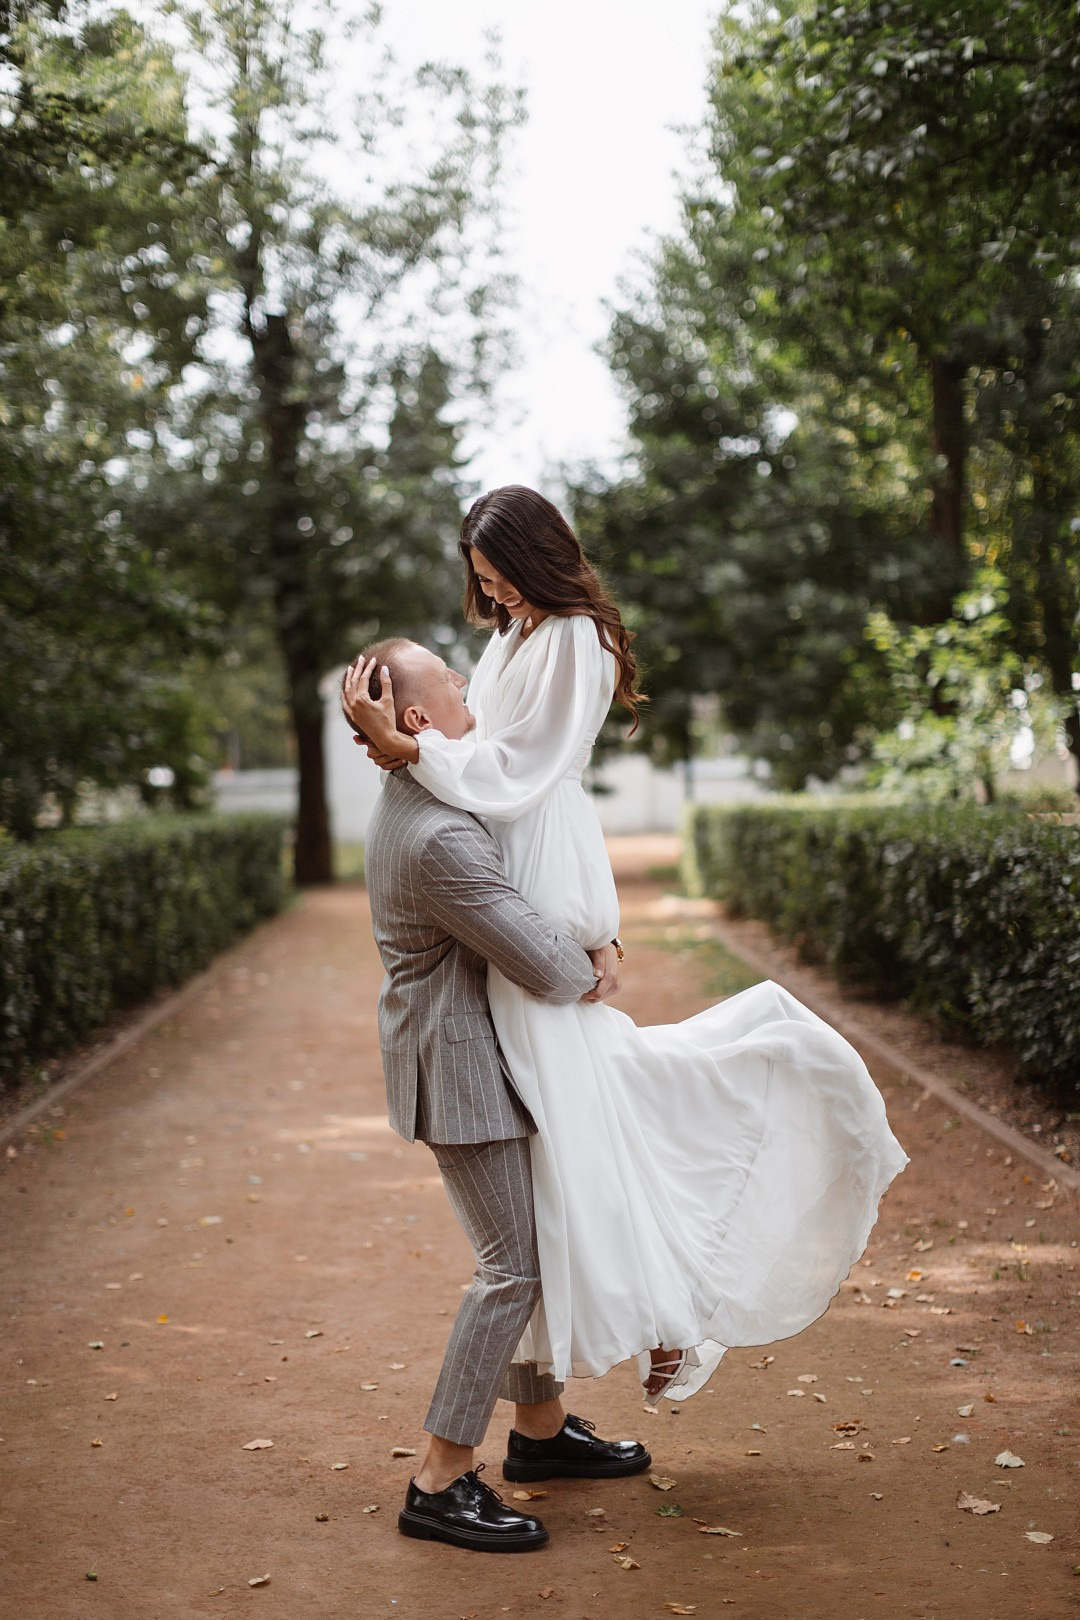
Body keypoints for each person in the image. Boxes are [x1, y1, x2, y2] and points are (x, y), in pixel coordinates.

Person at [344, 484, 909, 1409]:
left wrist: (415, 756)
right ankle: (622, 1351)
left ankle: (672, 1309)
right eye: (483, 581)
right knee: (581, 1125)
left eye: (503, 577)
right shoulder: (514, 635)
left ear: (539, 559)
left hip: (528, 853)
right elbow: (471, 736)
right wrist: (413, 747)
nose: (495, 596)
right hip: (498, 858)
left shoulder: (576, 638)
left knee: (591, 1115)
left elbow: (519, 770)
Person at [354, 637, 651, 1554]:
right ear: (417, 717)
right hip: (461, 1072)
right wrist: (600, 949)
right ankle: (438, 1480)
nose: (465, 681)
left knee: (527, 1249)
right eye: (448, 677)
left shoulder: (424, 794)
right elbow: (549, 966)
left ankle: (541, 1430)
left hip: (463, 1056)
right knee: (511, 1269)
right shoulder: (440, 837)